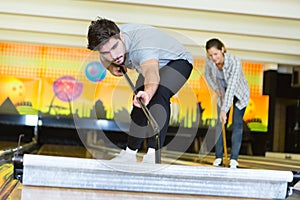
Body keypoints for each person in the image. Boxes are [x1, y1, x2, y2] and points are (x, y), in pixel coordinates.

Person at [87, 17, 193, 164]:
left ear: (121, 36)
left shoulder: (142, 45)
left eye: (115, 48)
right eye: (106, 52)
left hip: (177, 62)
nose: (113, 56)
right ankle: (130, 153)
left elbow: (151, 72)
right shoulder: (106, 45)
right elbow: (104, 59)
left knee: (160, 94)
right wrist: (111, 67)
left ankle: (152, 154)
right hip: (151, 66)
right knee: (138, 103)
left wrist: (148, 93)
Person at [204, 38, 249, 168]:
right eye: (210, 55)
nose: (213, 58)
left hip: (239, 94)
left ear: (222, 50)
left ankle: (234, 158)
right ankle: (218, 157)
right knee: (220, 124)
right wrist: (216, 89)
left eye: (216, 54)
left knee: (237, 124)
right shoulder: (209, 62)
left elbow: (232, 88)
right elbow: (207, 75)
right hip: (223, 94)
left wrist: (224, 110)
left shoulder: (235, 62)